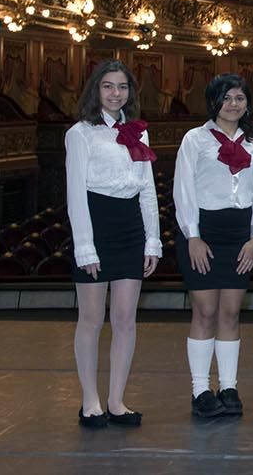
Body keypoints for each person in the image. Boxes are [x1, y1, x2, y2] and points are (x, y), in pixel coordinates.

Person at [66, 60, 160, 427]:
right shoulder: (80, 133)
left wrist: (152, 240)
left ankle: (116, 400)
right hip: (95, 222)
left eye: (122, 87)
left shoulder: (139, 132)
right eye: (108, 86)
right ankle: (90, 400)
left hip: (130, 227)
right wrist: (85, 247)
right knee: (91, 319)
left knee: (125, 319)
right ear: (96, 90)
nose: (115, 93)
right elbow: (76, 195)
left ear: (129, 92)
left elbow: (148, 191)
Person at [174, 74, 253, 418]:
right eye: (226, 98)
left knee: (230, 312)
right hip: (203, 233)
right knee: (205, 312)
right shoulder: (195, 140)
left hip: (240, 234)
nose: (233, 104)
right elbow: (183, 190)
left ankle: (228, 387)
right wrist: (192, 236)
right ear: (214, 101)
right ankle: (201, 390)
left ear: (247, 104)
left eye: (239, 98)